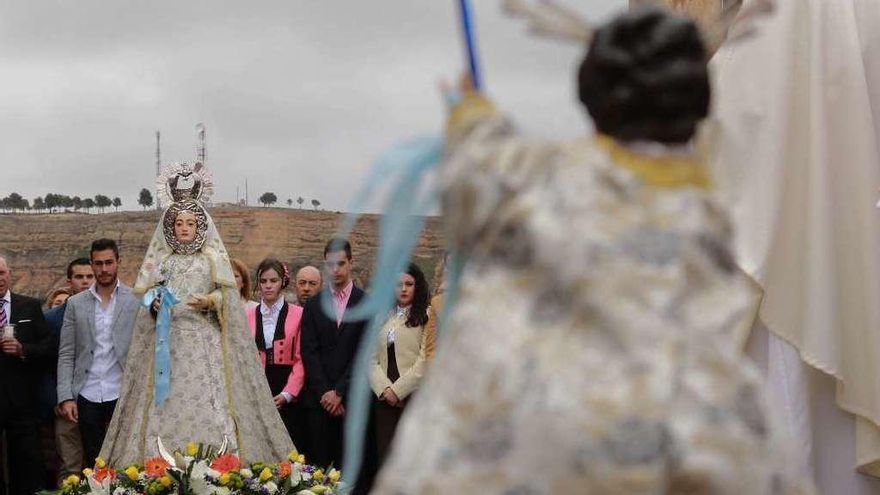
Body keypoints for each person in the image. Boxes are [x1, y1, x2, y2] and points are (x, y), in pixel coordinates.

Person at [374, 7, 804, 494]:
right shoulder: (712, 203)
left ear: (590, 99)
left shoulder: (549, 180)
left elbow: (482, 181)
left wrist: (470, 112)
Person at [99, 162, 293, 466]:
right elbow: (148, 293)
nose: (185, 227)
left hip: (205, 342)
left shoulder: (211, 259)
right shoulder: (162, 262)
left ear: (200, 226)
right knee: (164, 404)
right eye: (179, 223)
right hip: (168, 342)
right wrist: (154, 302)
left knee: (213, 400)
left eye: (190, 223)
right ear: (171, 228)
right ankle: (159, 461)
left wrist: (212, 300)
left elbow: (229, 295)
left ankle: (220, 461)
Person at [56, 240, 139, 468]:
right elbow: (67, 352)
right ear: (92, 264)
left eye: (109, 263)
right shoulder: (75, 303)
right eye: (99, 263)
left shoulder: (135, 299)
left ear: (118, 262)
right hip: (87, 392)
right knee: (93, 461)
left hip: (122, 391)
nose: (104, 269)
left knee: (125, 461)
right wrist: (66, 396)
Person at [300, 238, 372, 482]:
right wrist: (326, 393)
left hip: (352, 401)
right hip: (319, 402)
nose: (336, 270)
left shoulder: (366, 303)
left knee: (353, 473)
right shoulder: (312, 305)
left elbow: (365, 353)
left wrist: (340, 392)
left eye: (341, 264)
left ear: (351, 262)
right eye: (330, 265)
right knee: (319, 474)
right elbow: (309, 353)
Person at [369, 263, 432, 468]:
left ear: (417, 286)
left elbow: (425, 359)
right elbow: (369, 359)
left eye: (409, 284)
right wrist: (385, 389)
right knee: (386, 455)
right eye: (398, 284)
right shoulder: (381, 315)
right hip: (384, 397)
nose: (403, 289)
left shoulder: (428, 316)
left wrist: (399, 390)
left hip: (413, 395)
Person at [0, 255, 54, 495]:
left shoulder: (29, 306)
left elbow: (48, 347)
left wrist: (23, 349)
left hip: (23, 401)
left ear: (9, 274)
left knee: (26, 462)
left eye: (1, 273)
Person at [246, 259, 307, 450]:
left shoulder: (299, 314)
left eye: (273, 280)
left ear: (283, 282)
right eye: (263, 281)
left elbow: (301, 358)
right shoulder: (247, 314)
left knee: (290, 442)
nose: (268, 286)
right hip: (258, 385)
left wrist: (288, 393)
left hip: (288, 385)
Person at [43, 257, 94, 485]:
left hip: (100, 399)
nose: (85, 282)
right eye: (79, 277)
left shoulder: (109, 312)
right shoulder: (51, 319)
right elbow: (44, 363)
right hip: (66, 403)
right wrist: (56, 398)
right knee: (70, 467)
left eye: (89, 276)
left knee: (100, 465)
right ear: (70, 280)